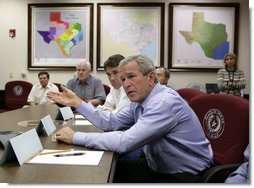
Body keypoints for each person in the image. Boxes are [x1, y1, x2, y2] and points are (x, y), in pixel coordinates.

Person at [47, 55, 213, 183]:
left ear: (151, 78)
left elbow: (125, 142)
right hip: (158, 166)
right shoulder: (141, 100)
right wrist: (78, 103)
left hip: (185, 175)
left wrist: (75, 137)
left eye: (131, 76)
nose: (125, 84)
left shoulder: (163, 102)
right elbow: (111, 122)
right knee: (109, 174)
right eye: (123, 79)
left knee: (108, 176)